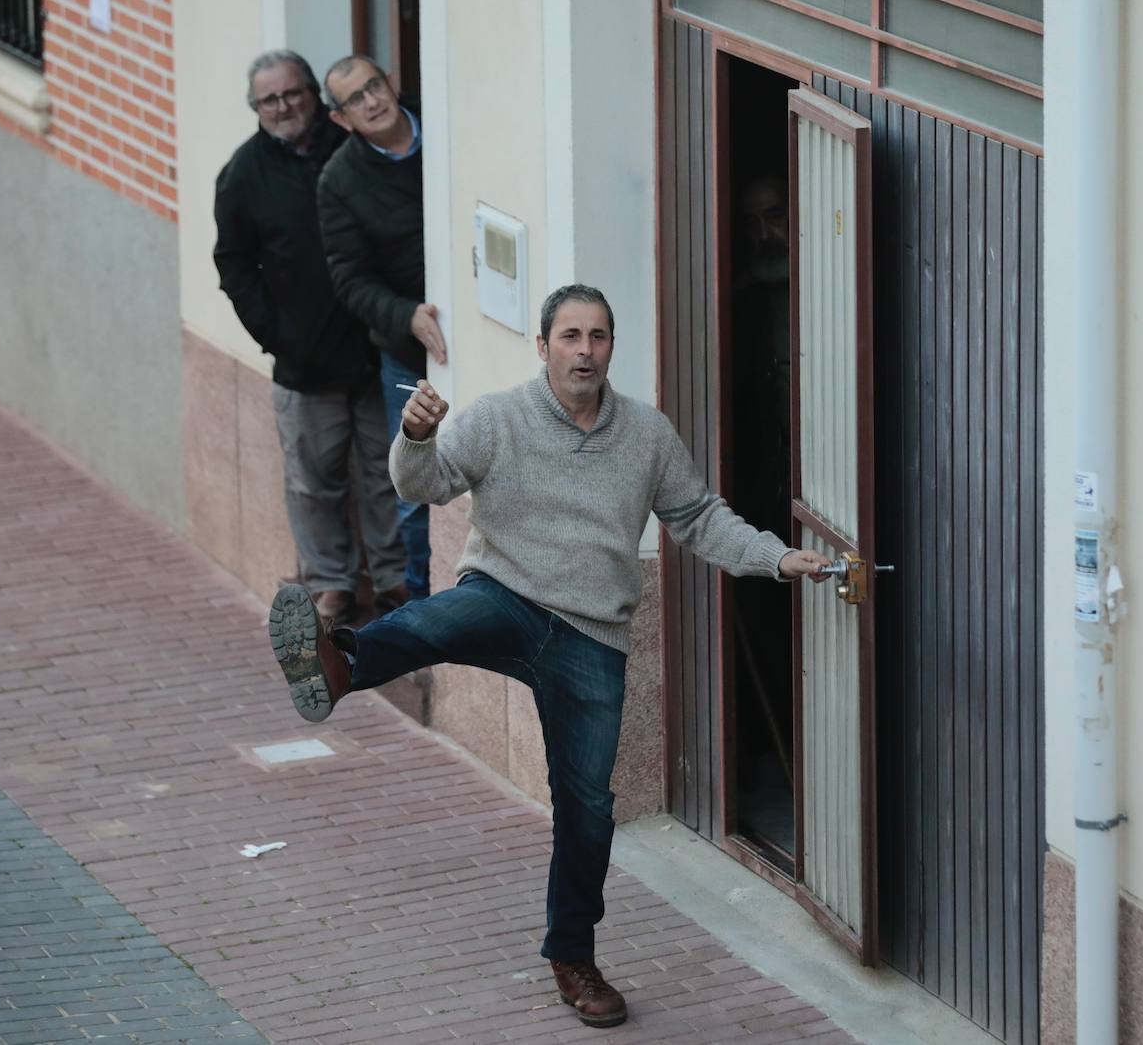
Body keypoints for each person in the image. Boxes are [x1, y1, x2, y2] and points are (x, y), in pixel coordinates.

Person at [267, 284, 831, 1029]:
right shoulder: (501, 418)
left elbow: (698, 518)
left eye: (598, 336)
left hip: (593, 634)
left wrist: (777, 558)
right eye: (570, 336)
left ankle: (574, 957)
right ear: (543, 347)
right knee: (437, 621)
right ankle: (343, 665)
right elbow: (422, 485)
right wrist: (415, 433)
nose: (585, 350)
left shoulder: (647, 436)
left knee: (588, 809)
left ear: (610, 349)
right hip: (507, 594)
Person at [213, 50, 411, 627]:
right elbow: (233, 265)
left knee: (386, 470)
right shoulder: (243, 175)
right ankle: (331, 582)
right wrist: (276, 336)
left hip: (374, 344)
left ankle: (395, 577)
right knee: (312, 478)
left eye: (293, 94)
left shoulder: (352, 151)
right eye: (270, 100)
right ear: (256, 109)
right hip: (303, 359)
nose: (284, 107)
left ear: (315, 98)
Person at [316, 54, 445, 603]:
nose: (372, 101)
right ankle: (421, 609)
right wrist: (407, 316)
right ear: (341, 118)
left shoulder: (444, 127)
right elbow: (350, 281)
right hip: (406, 354)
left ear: (392, 82)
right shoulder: (339, 181)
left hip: (480, 336)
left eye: (374, 86)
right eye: (355, 99)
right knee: (414, 491)